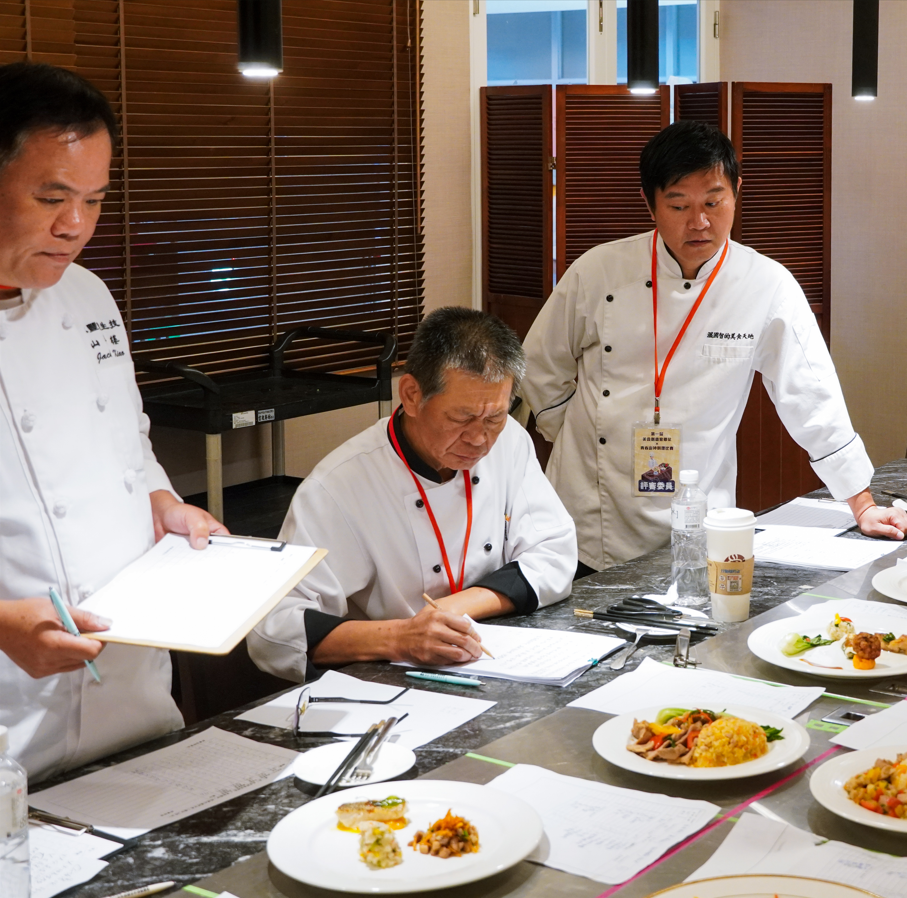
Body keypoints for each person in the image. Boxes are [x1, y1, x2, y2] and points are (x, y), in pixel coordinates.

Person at [522, 120, 907, 573]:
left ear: (736, 192)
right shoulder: (599, 271)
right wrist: (576, 438)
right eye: (679, 205)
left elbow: (812, 396)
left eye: (713, 201)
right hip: (589, 515)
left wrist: (861, 504)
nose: (700, 222)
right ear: (650, 205)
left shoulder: (766, 285)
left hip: (700, 514)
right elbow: (538, 365)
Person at [0, 62, 226, 782]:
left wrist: (162, 502)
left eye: (94, 201)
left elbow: (128, 442)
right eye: (50, 197)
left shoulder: (90, 294)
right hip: (10, 718)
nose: (75, 227)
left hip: (132, 701)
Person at [247, 307, 576, 683]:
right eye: (461, 418)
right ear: (412, 394)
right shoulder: (339, 485)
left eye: (495, 418)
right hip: (387, 681)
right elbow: (272, 631)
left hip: (495, 659)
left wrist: (452, 612)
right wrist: (401, 637)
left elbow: (555, 551)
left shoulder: (510, 443)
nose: (479, 438)